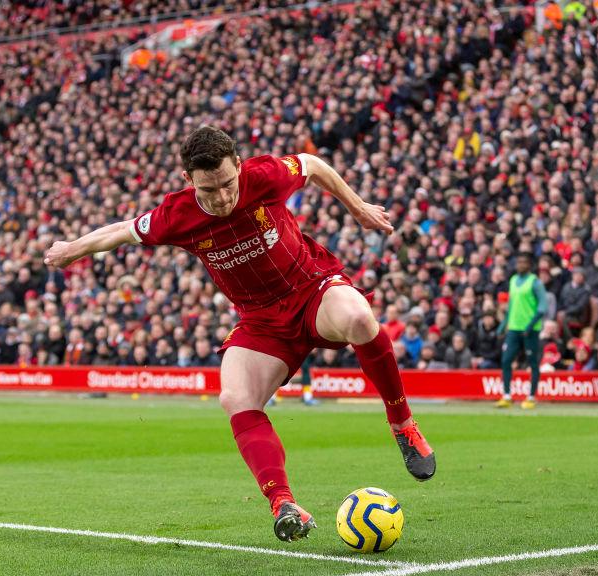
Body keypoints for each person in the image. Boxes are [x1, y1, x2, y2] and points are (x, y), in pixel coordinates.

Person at [44, 126, 435, 542]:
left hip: (310, 290)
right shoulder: (176, 215)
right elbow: (123, 230)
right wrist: (73, 249)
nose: (222, 197)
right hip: (261, 322)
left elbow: (314, 165)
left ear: (238, 166)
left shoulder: (263, 175)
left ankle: (402, 424)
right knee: (235, 397)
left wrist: (357, 208)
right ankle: (283, 504)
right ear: (188, 180)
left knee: (359, 318)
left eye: (228, 183)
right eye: (208, 189)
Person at [496, 252, 547, 409]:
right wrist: (502, 326)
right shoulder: (513, 280)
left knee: (532, 362)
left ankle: (531, 397)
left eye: (524, 263)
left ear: (530, 265)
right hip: (514, 328)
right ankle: (507, 395)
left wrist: (530, 326)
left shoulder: (535, 282)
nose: (520, 265)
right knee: (506, 360)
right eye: (518, 262)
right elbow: (511, 306)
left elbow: (542, 307)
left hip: (530, 330)